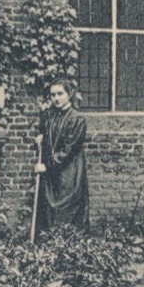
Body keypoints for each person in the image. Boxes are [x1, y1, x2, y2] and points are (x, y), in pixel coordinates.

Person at [33, 79, 90, 234]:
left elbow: (68, 150)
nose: (56, 98)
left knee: (66, 211)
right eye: (53, 95)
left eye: (60, 94)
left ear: (69, 94)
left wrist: (47, 165)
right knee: (48, 212)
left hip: (69, 172)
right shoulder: (49, 116)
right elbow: (46, 134)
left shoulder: (77, 119)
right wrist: (41, 137)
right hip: (52, 174)